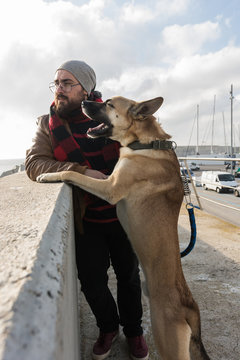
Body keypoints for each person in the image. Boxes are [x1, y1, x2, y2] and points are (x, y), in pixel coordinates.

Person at [25, 60, 149, 360]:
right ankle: (108, 328)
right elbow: (34, 164)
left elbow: (142, 147)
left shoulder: (113, 115)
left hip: (123, 214)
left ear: (86, 89)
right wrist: (79, 170)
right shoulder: (47, 123)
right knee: (92, 281)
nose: (59, 90)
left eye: (67, 83)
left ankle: (133, 332)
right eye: (56, 83)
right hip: (87, 218)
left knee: (129, 276)